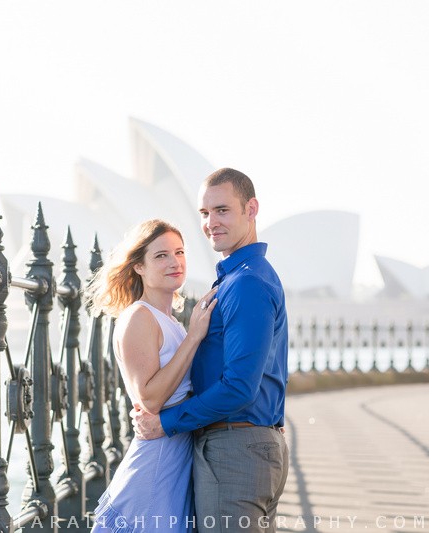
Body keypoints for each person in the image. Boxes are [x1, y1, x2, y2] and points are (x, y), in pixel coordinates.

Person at [133, 168, 290, 532]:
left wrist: (165, 423)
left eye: (222, 210)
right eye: (204, 213)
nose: (210, 222)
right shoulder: (242, 277)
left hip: (235, 451)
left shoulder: (247, 282)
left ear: (251, 209)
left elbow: (239, 386)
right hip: (246, 446)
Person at [86, 218, 218, 532]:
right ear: (139, 267)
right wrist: (194, 337)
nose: (175, 262)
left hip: (176, 459)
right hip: (157, 463)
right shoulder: (139, 317)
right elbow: (150, 399)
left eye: (179, 252)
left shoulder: (170, 321)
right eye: (161, 255)